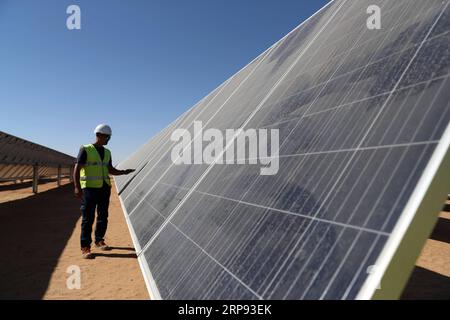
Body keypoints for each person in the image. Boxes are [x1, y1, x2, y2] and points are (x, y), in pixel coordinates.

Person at [73, 124, 135, 259]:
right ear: (99, 135)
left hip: (104, 188)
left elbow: (110, 169)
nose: (108, 139)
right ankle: (85, 247)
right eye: (107, 137)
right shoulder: (86, 149)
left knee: (102, 216)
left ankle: (99, 240)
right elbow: (77, 169)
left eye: (109, 137)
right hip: (89, 189)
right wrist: (77, 187)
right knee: (88, 218)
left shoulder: (107, 152)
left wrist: (124, 172)